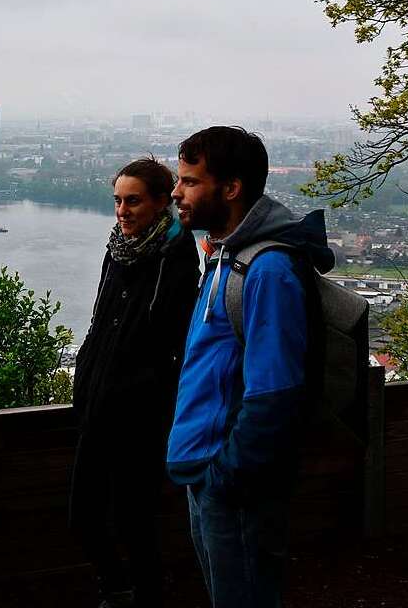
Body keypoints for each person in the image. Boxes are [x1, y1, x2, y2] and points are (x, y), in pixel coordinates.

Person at [167, 127, 334, 607]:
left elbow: (275, 392)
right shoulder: (225, 257)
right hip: (204, 470)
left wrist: (228, 477)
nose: (177, 191)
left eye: (191, 181)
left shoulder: (267, 271)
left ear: (232, 188)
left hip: (232, 483)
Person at [70, 157, 200, 608]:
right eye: (117, 201)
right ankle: (116, 585)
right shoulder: (117, 250)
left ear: (161, 203)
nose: (122, 210)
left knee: (134, 518)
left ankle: (143, 595)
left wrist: (147, 392)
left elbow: (170, 341)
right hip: (96, 403)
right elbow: (100, 324)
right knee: (83, 514)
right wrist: (85, 380)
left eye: (133, 201)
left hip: (140, 415)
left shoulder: (176, 258)